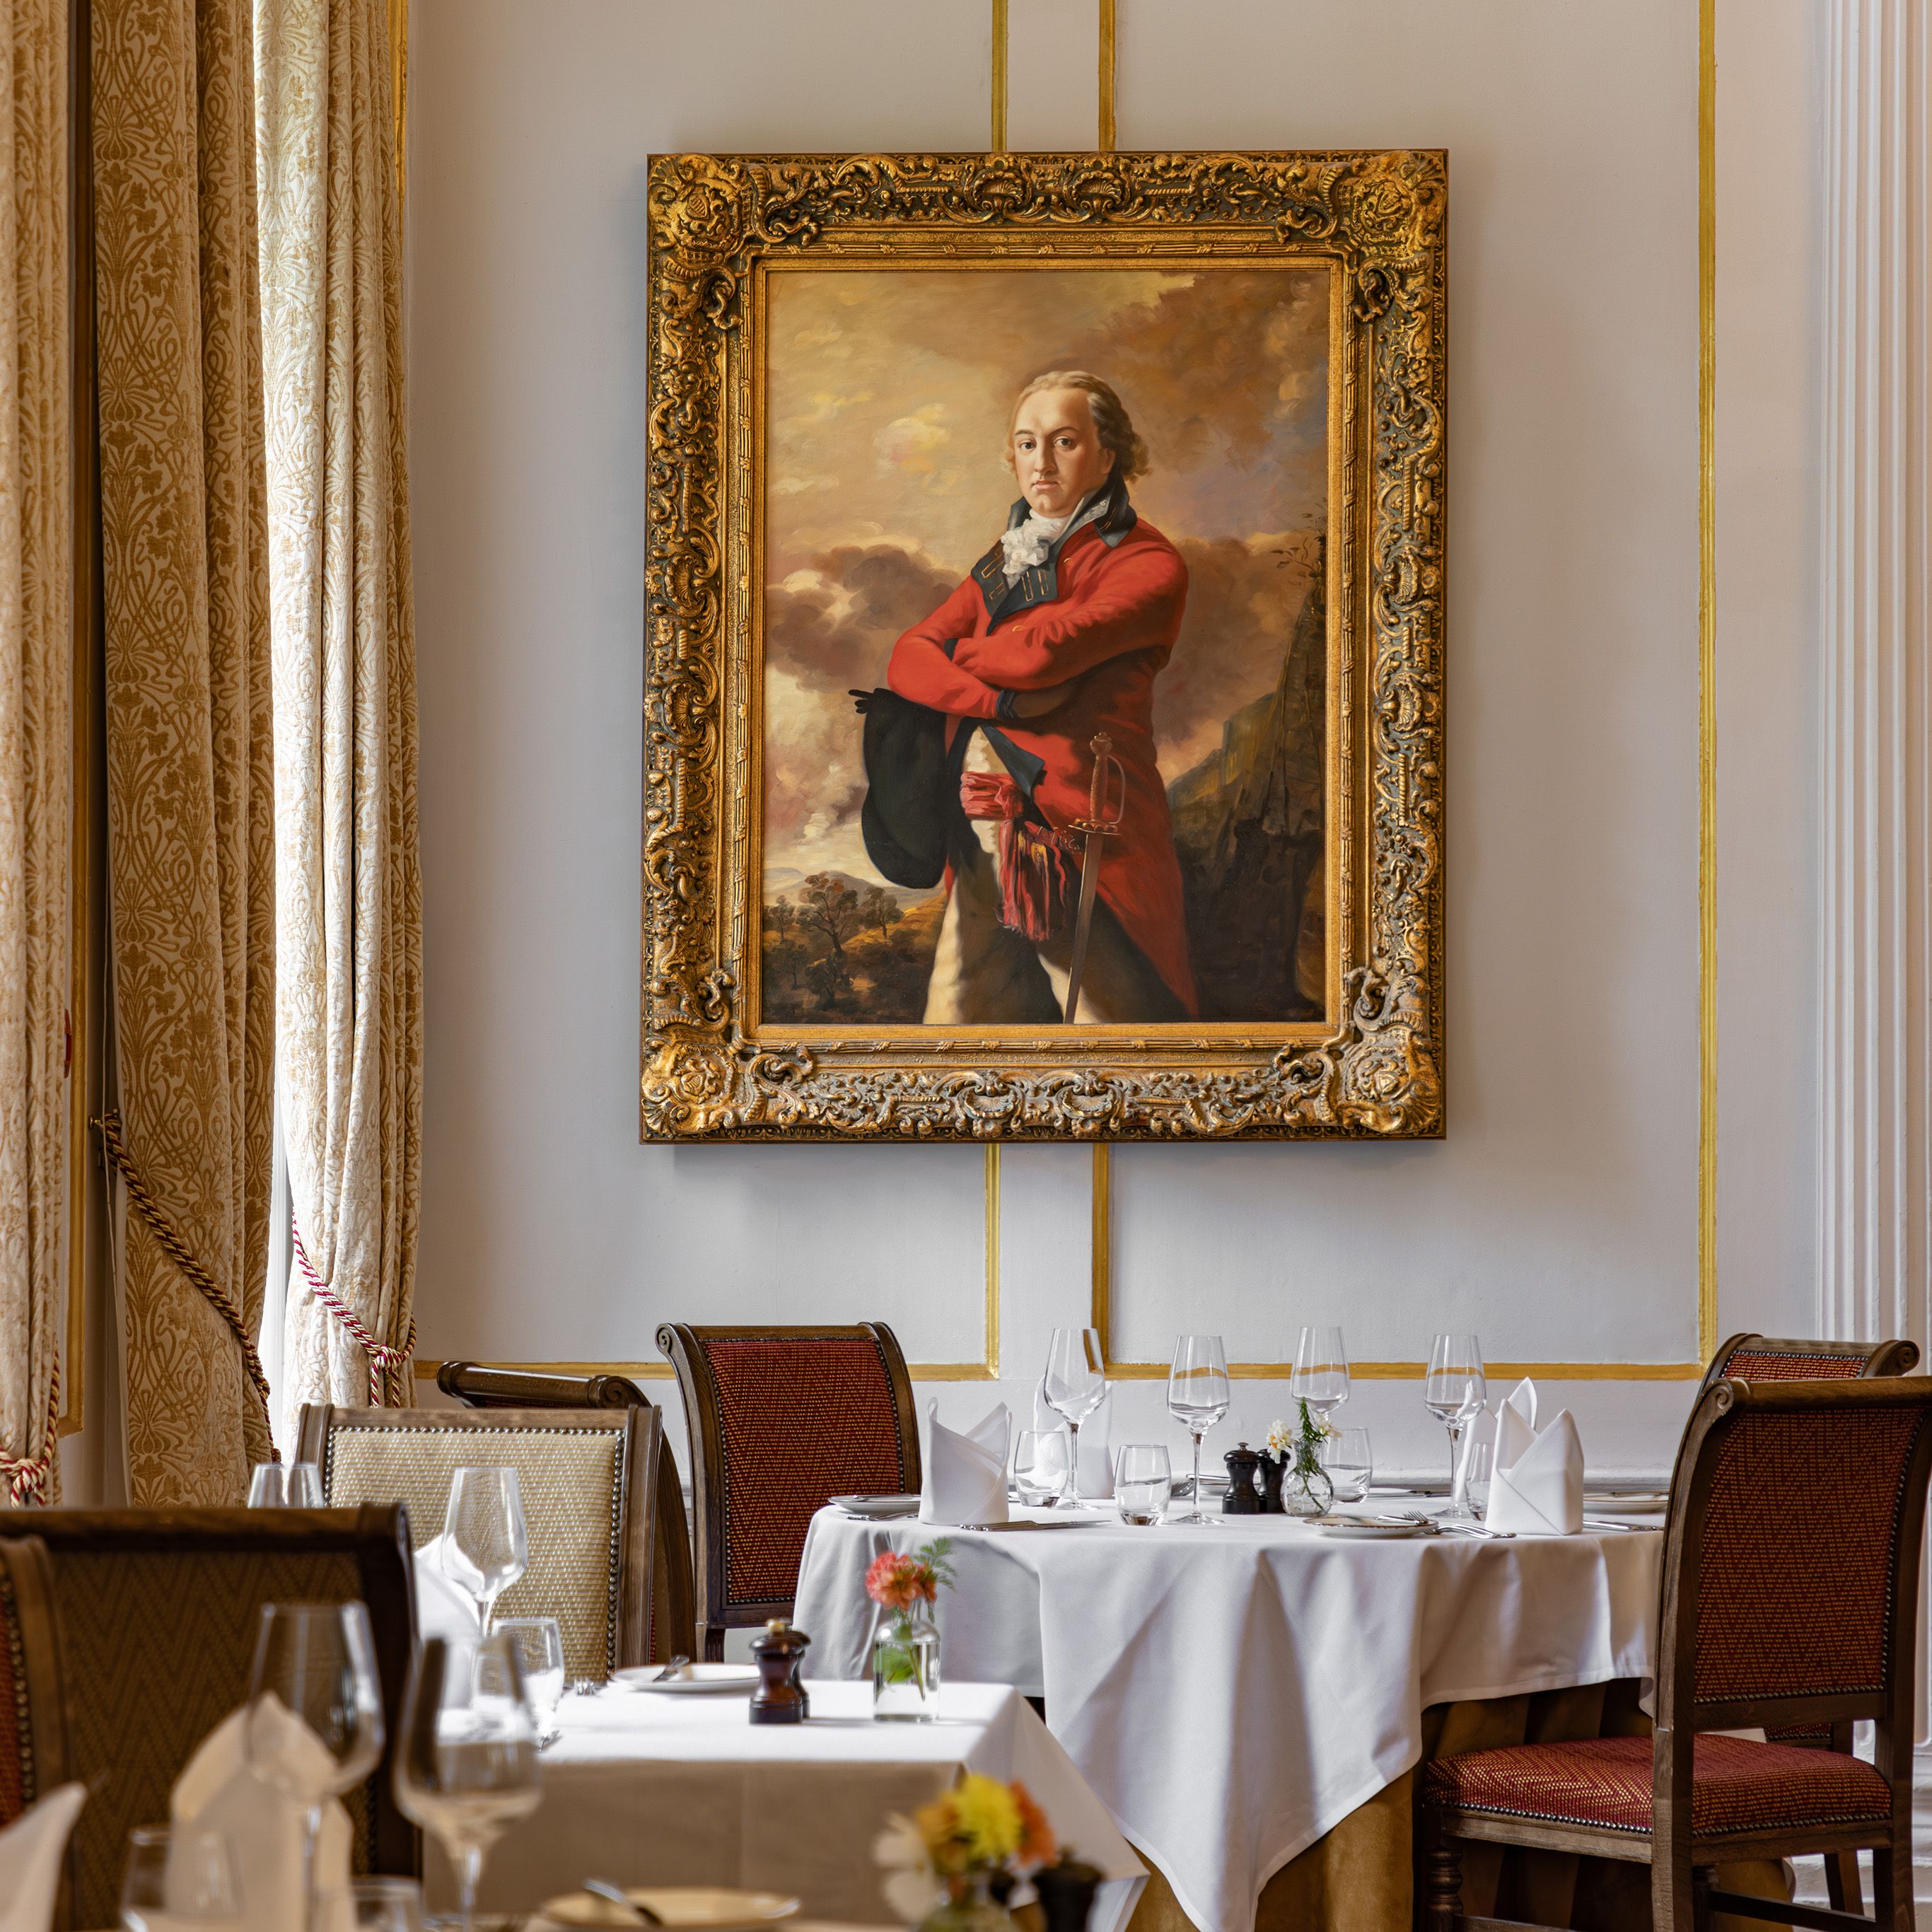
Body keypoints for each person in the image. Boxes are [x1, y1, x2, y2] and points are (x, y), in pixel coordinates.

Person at [885, 371, 1196, 1023]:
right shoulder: (1005, 560)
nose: (1041, 463)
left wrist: (959, 655)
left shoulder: (1146, 562)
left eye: (1063, 442)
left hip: (1080, 823)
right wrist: (998, 704)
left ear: (1108, 457)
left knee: (1107, 1019)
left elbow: (1041, 654)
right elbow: (906, 658)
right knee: (962, 1010)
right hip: (979, 813)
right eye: (1027, 444)